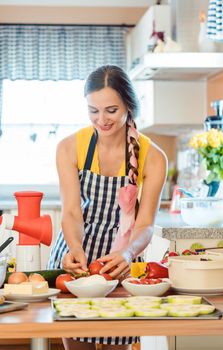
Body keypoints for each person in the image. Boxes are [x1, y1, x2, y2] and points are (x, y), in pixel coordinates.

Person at [47, 65, 167, 350]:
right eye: (93, 110)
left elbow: (145, 223)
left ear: (129, 104)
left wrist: (127, 253)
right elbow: (72, 212)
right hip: (77, 260)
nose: (101, 120)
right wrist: (74, 248)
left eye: (111, 110)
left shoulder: (153, 157)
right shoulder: (69, 147)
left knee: (119, 342)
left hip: (122, 261)